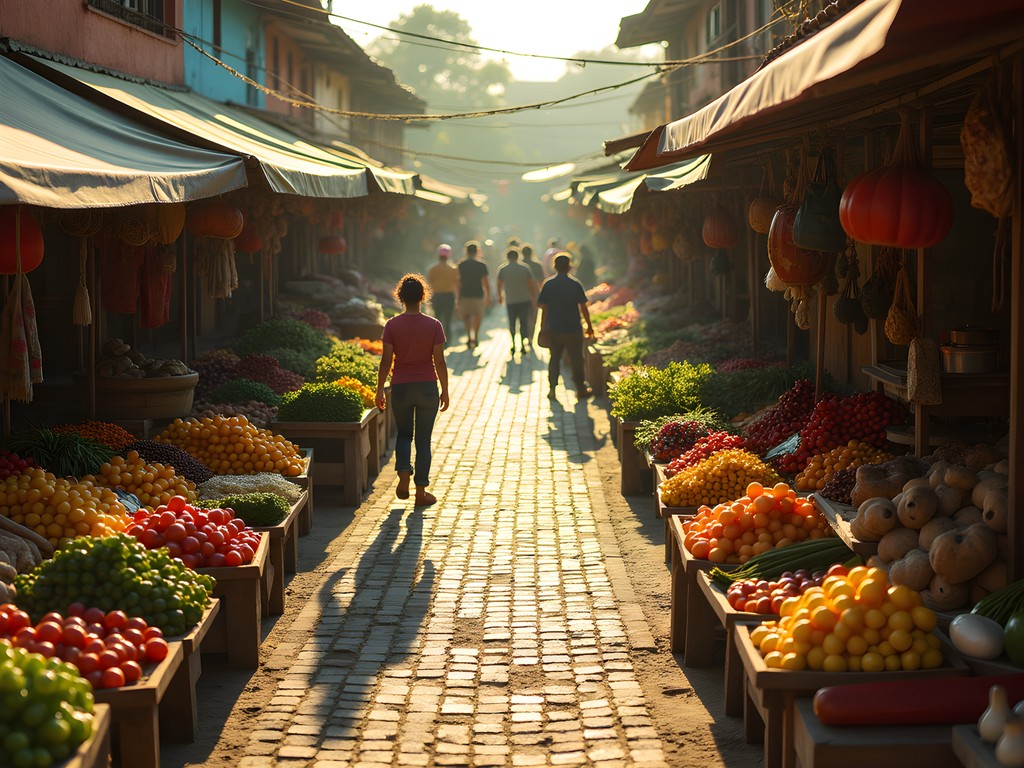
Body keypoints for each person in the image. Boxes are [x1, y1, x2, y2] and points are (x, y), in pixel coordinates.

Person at [375, 274, 450, 506]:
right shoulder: (433, 325)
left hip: (400, 387)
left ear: (400, 297)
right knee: (423, 441)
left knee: (404, 435)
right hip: (427, 386)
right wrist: (445, 390)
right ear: (423, 296)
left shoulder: (392, 325)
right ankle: (420, 492)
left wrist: (379, 390)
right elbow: (439, 361)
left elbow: (386, 361)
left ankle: (404, 473)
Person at [537, 252, 594, 400]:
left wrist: (543, 329)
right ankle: (581, 388)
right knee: (577, 359)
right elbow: (583, 307)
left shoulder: (548, 284)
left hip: (554, 328)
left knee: (554, 359)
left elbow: (544, 308)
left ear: (554, 266)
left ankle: (552, 389)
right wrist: (589, 326)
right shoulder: (575, 284)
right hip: (573, 328)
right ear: (569, 267)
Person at [495, 247, 538, 356]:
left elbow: (499, 284)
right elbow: (531, 284)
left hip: (511, 300)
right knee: (523, 323)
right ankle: (523, 344)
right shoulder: (525, 268)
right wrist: (534, 298)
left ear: (507, 257)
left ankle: (514, 343)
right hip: (524, 299)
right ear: (517, 257)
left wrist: (500, 296)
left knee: (512, 323)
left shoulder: (503, 269)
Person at [456, 240, 490, 349]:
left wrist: (457, 297)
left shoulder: (461, 264)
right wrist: (488, 296)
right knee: (478, 316)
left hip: (465, 294)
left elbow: (458, 282)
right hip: (478, 294)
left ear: (466, 251)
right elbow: (485, 282)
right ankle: (475, 335)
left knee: (466, 316)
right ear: (477, 251)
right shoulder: (482, 265)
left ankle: (469, 336)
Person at [426, 243, 459, 342]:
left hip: (437, 296)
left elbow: (428, 284)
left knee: (437, 319)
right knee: (448, 320)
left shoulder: (432, 269)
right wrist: (458, 298)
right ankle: (447, 340)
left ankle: (438, 340)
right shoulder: (453, 269)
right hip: (449, 296)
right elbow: (457, 284)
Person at [520, 244, 545, 339]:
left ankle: (524, 335)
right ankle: (531, 336)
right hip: (535, 294)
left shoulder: (520, 265)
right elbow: (541, 282)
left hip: (522, 294)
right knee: (533, 317)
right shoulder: (537, 265)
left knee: (523, 316)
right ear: (532, 253)